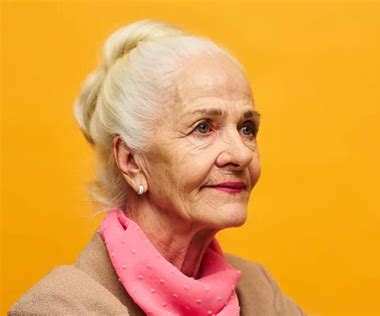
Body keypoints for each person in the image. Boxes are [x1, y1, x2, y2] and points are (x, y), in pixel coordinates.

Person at [8, 19, 305, 315]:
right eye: (203, 128)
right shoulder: (59, 308)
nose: (241, 154)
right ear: (131, 161)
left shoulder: (259, 293)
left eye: (247, 128)